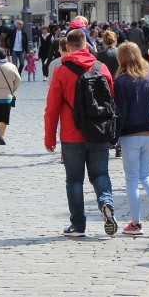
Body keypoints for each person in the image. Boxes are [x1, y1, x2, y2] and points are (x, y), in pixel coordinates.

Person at [44, 29, 118, 237]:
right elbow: (112, 101)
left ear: (68, 47)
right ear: (87, 45)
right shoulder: (102, 68)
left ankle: (78, 225)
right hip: (99, 132)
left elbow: (52, 109)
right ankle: (106, 202)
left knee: (75, 180)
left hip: (71, 134)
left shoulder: (62, 70)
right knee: (101, 174)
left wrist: (49, 139)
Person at [114, 42, 149, 235]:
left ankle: (136, 223)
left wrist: (114, 137)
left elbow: (120, 113)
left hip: (131, 134)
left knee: (131, 178)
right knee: (146, 175)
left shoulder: (121, 82)